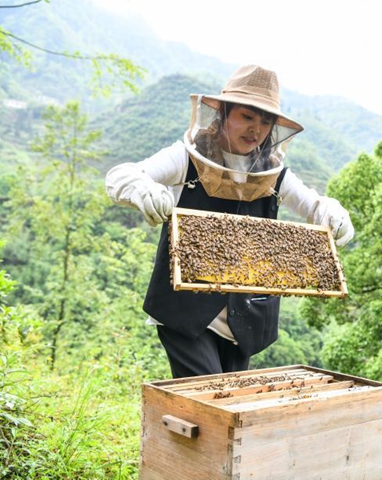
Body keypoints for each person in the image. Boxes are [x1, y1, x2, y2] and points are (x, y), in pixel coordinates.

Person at [105, 65, 354, 378]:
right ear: (222, 114)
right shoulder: (186, 158)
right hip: (186, 314)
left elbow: (315, 206)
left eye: (265, 121)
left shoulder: (273, 174)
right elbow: (121, 176)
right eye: (247, 116)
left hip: (245, 324)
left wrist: (334, 213)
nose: (256, 129)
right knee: (212, 401)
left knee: (226, 416)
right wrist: (142, 189)